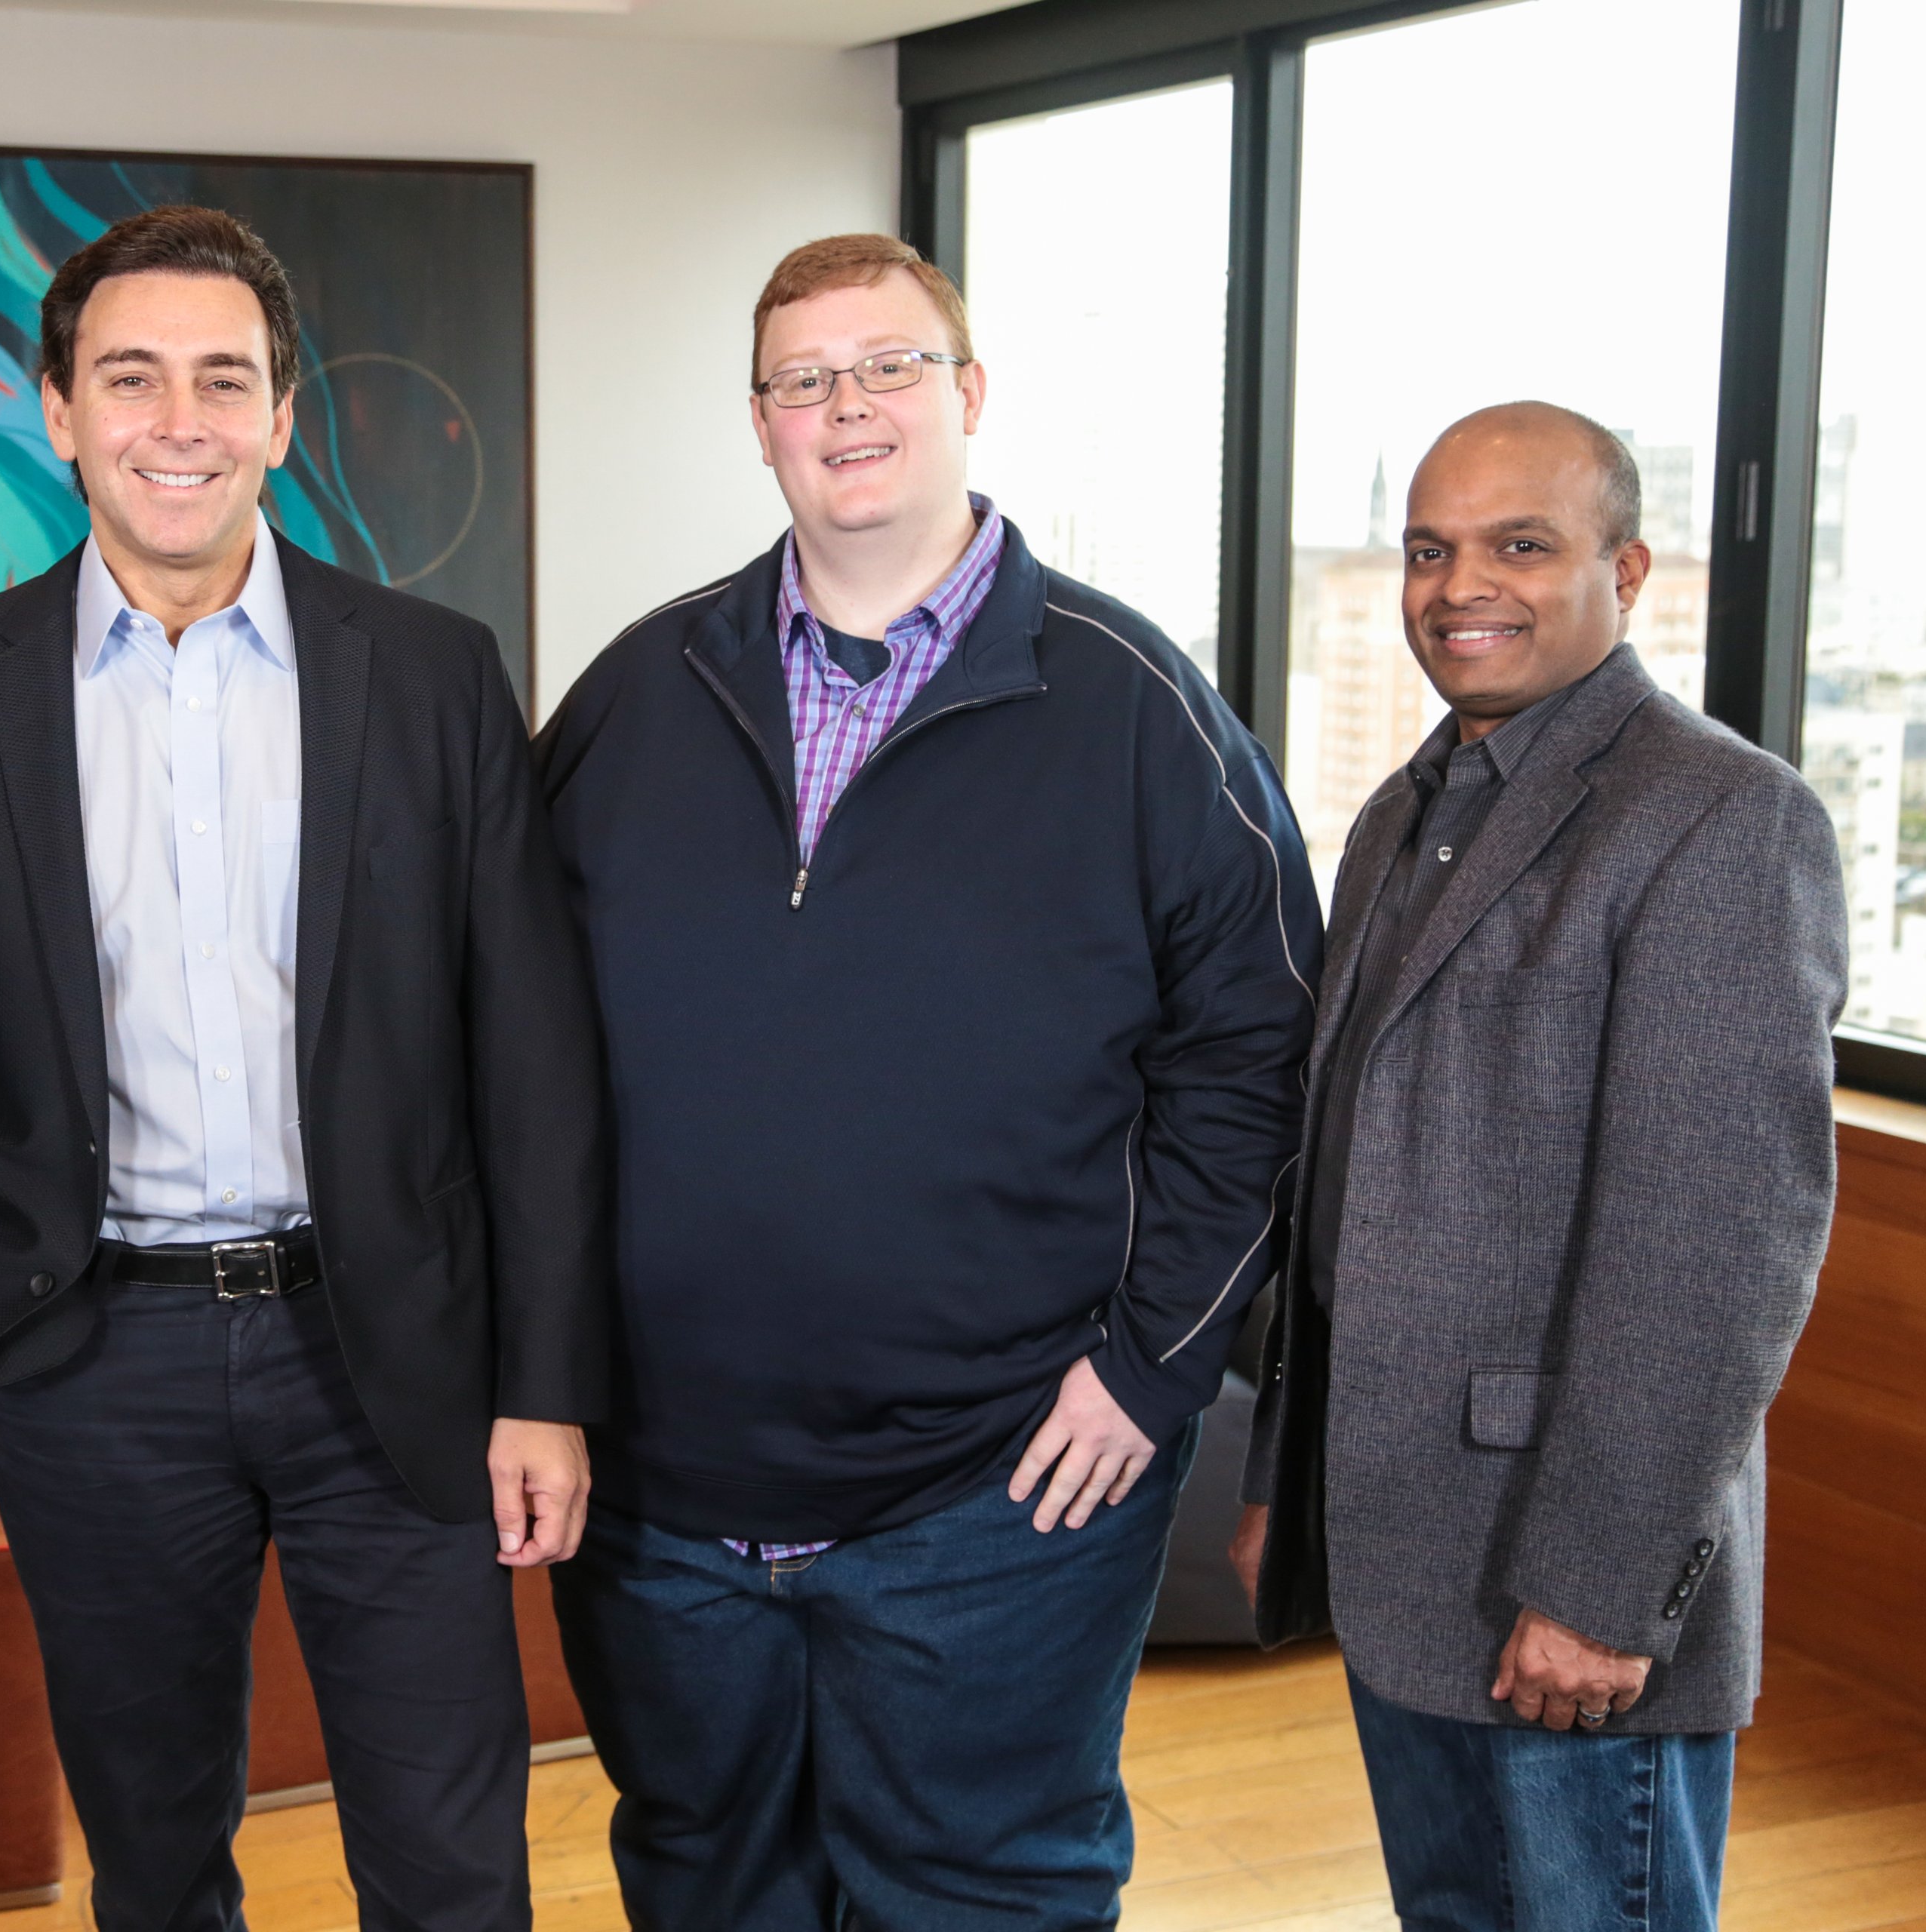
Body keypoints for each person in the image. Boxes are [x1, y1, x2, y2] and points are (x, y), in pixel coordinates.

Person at [0, 204, 611, 1932]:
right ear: (56, 409)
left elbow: (533, 1061)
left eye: (222, 379)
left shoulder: (432, 675)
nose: (175, 419)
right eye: (130, 376)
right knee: (156, 1857)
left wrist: (543, 1378)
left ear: (279, 414)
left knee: (452, 1860)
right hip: (94, 1357)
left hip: (393, 1349)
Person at [533, 232, 1320, 1928]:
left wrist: (1151, 1372)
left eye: (890, 364)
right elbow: (515, 1059)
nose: (849, 405)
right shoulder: (631, 698)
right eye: (805, 377)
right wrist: (538, 1375)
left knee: (982, 1898)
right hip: (667, 1498)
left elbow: (1256, 1054)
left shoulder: (1136, 710)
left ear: (967, 395)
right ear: (760, 425)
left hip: (1004, 1487)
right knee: (700, 1880)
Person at [1231, 401, 1847, 1930]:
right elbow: (1345, 1182)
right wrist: (1284, 1479)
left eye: (1522, 544)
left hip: (1563, 1585)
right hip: (1408, 1550)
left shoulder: (1718, 816)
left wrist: (1597, 1580)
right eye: (1430, 549)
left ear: (1626, 570)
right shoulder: (1405, 808)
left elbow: (1713, 1250)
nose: (1461, 586)